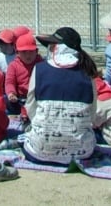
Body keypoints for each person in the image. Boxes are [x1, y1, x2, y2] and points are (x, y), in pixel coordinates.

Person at [23, 27, 97, 167]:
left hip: (40, 151)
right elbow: (92, 114)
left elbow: (30, 107)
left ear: (59, 48)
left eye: (52, 46)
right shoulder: (88, 71)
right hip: (82, 152)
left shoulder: (39, 69)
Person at [5, 33, 41, 117]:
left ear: (36, 51)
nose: (28, 56)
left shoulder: (40, 64)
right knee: (7, 102)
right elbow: (9, 82)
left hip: (36, 97)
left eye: (31, 52)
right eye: (24, 52)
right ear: (17, 52)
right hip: (20, 98)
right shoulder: (13, 65)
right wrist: (11, 93)